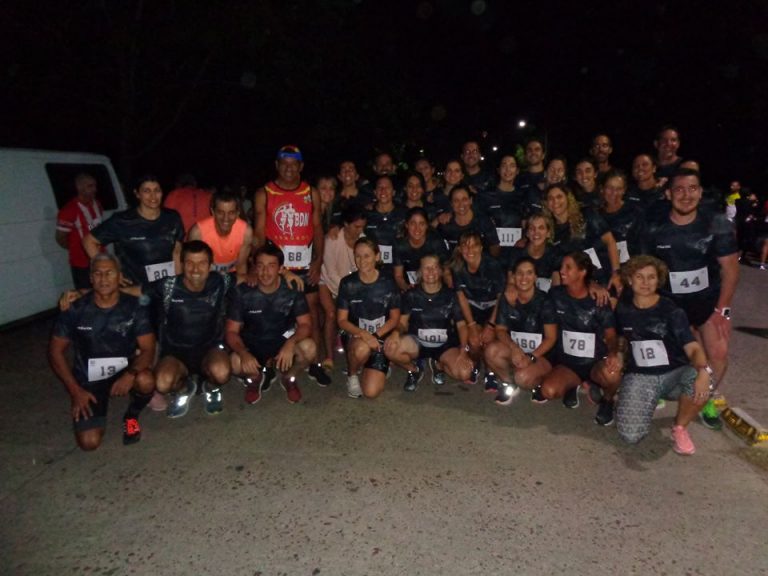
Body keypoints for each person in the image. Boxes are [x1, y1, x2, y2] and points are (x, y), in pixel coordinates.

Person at [640, 168, 739, 430]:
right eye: (679, 189)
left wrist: (723, 311)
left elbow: (730, 269)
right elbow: (644, 267)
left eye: (692, 188)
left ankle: (704, 398)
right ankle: (662, 388)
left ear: (700, 192)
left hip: (707, 303)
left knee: (718, 353)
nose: (686, 195)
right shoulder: (654, 225)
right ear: (668, 193)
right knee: (665, 353)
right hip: (670, 306)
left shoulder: (716, 222)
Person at [48, 253, 156, 450]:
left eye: (109, 273)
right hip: (89, 379)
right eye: (98, 273)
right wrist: (75, 391)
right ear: (91, 278)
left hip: (125, 370)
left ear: (119, 276)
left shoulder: (134, 306)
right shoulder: (75, 308)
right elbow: (55, 352)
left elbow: (148, 348)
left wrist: (131, 374)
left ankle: (131, 415)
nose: (103, 278)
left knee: (146, 380)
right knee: (89, 443)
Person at [615, 255, 715, 455]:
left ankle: (680, 428)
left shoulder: (671, 310)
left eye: (651, 277)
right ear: (629, 280)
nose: (645, 282)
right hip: (641, 375)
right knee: (630, 436)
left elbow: (693, 347)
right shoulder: (623, 308)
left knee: (702, 379)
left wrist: (704, 371)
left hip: (674, 374)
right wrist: (617, 356)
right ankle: (645, 400)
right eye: (639, 276)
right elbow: (621, 339)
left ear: (658, 280)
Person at [253, 145, 330, 386]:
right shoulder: (264, 193)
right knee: (272, 313)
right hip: (276, 267)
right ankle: (269, 363)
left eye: (293, 164)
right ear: (277, 165)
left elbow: (318, 228)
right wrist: (261, 266)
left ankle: (314, 363)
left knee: (311, 312)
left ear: (301, 166)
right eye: (284, 163)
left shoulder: (310, 192)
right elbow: (258, 235)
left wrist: (318, 261)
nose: (289, 168)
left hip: (305, 264)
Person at [146, 240, 234, 417]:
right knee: (162, 384)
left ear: (210, 265)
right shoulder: (168, 286)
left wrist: (285, 273)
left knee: (222, 373)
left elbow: (250, 277)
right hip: (175, 353)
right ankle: (184, 389)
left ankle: (211, 388)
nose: (195, 269)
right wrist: (93, 292)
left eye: (202, 263)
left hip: (209, 349)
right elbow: (136, 291)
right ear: (181, 264)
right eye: (189, 263)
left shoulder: (220, 281)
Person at [226, 244, 316, 405]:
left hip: (282, 341)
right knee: (233, 362)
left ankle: (289, 378)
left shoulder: (292, 288)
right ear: (255, 268)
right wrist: (243, 352)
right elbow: (231, 331)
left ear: (281, 269)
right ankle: (255, 378)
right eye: (260, 266)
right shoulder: (242, 292)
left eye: (271, 266)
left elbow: (306, 324)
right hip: (253, 343)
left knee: (309, 348)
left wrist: (291, 342)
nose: (265, 272)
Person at [539, 252, 622, 426]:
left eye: (568, 267)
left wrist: (613, 353)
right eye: (562, 267)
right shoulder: (556, 295)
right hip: (568, 364)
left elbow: (611, 335)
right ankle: (573, 385)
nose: (562, 271)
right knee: (548, 391)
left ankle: (607, 401)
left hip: (595, 362)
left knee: (612, 374)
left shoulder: (599, 299)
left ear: (582, 271)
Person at [384, 254, 473, 390]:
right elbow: (402, 323)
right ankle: (414, 370)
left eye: (434, 267)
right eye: (426, 268)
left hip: (444, 345)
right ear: (420, 272)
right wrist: (395, 333)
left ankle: (439, 365)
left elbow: (461, 325)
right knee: (390, 348)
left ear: (441, 271)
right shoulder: (411, 295)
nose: (431, 271)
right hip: (417, 342)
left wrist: (463, 349)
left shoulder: (451, 295)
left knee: (465, 373)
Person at [83, 174, 184, 287]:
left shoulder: (172, 217)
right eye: (146, 191)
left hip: (165, 287)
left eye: (157, 190)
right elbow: (89, 241)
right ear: (137, 194)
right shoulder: (123, 220)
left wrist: (178, 284)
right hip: (134, 288)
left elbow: (177, 253)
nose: (153, 196)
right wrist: (110, 271)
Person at [484, 257, 556, 405]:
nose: (524, 278)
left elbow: (551, 338)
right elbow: (500, 329)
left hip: (541, 354)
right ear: (513, 276)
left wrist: (531, 357)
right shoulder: (507, 298)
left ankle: (538, 383)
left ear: (535, 277)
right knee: (491, 351)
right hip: (518, 349)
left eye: (529, 273)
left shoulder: (545, 301)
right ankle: (509, 383)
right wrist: (514, 348)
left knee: (524, 378)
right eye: (520, 273)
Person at [337, 238, 401, 399]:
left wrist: (376, 336)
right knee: (361, 349)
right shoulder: (347, 283)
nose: (362, 260)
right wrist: (364, 334)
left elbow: (394, 318)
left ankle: (376, 363)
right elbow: (342, 320)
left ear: (377, 256)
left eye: (367, 256)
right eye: (357, 256)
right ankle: (352, 375)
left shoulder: (388, 282)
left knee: (371, 392)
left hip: (380, 335)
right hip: (356, 334)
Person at [451, 231, 506, 388]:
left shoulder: (493, 265)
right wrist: (471, 325)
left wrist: (491, 325)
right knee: (474, 341)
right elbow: (461, 297)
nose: (470, 250)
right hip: (472, 309)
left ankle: (490, 371)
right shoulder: (457, 267)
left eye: (474, 245)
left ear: (481, 248)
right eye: (465, 246)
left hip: (493, 309)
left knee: (488, 340)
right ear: (460, 249)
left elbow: (501, 298)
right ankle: (476, 363)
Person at [542, 184, 622, 291]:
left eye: (559, 197)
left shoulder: (587, 214)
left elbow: (610, 241)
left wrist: (616, 273)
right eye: (550, 198)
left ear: (568, 198)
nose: (555, 201)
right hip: (578, 285)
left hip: (605, 275)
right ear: (546, 203)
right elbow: (556, 268)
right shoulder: (549, 231)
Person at [318, 207, 367, 371]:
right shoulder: (332, 240)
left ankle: (355, 351)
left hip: (351, 285)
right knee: (331, 314)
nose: (359, 230)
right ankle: (329, 356)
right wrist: (349, 292)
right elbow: (331, 272)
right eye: (356, 226)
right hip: (328, 281)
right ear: (345, 224)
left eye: (362, 227)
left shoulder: (363, 240)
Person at [188, 189, 253, 282]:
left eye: (231, 213)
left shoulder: (246, 232)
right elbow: (192, 267)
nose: (226, 218)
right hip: (206, 277)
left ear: (237, 213)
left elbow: (241, 265)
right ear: (213, 212)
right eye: (220, 212)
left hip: (232, 277)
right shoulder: (198, 233)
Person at [56, 172, 104, 290]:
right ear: (79, 187)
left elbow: (95, 226)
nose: (95, 189)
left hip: (100, 258)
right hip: (82, 264)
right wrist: (77, 248)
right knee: (86, 295)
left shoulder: (97, 204)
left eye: (95, 185)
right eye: (90, 186)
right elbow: (60, 238)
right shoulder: (69, 210)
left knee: (103, 292)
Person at [475, 154, 527, 263]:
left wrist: (525, 238)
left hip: (516, 251)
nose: (508, 169)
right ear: (498, 170)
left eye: (512, 165)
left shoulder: (523, 196)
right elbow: (480, 220)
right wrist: (492, 240)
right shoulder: (486, 195)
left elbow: (527, 222)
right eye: (504, 165)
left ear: (517, 171)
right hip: (490, 251)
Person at [393, 207, 450, 292]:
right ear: (406, 225)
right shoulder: (400, 245)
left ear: (427, 225)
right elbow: (398, 276)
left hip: (434, 283)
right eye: (413, 223)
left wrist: (448, 289)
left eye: (421, 224)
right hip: (408, 285)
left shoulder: (436, 242)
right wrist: (407, 288)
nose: (417, 228)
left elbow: (446, 271)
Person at [437, 185, 501, 258]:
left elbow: (494, 246)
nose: (461, 204)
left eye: (464, 199)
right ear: (451, 203)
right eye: (456, 200)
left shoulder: (483, 220)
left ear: (470, 200)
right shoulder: (445, 223)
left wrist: (488, 261)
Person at [598, 169, 643, 266]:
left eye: (619, 189)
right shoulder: (596, 215)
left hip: (631, 267)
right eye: (610, 188)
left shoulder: (635, 212)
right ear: (602, 189)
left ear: (624, 190)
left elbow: (643, 246)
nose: (614, 192)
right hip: (604, 268)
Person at [506, 214, 561, 292]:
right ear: (527, 233)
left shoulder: (555, 253)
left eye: (541, 228)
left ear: (548, 233)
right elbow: (511, 284)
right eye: (532, 228)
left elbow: (556, 285)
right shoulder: (516, 254)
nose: (536, 232)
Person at [364, 175, 408, 272]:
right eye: (380, 187)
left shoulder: (404, 214)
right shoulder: (366, 215)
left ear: (393, 192)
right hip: (373, 268)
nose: (383, 190)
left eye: (387, 187)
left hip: (400, 267)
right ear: (375, 192)